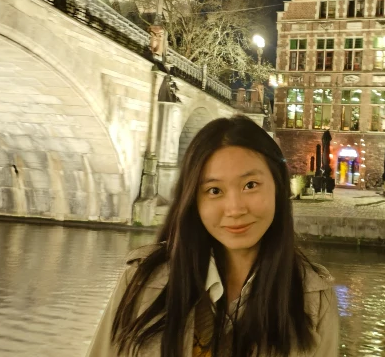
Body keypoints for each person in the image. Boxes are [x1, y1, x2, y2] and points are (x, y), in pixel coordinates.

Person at [86, 116, 339, 357]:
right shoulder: (141, 280)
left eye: (250, 185)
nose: (235, 209)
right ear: (194, 200)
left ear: (279, 187)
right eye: (214, 190)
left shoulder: (313, 297)